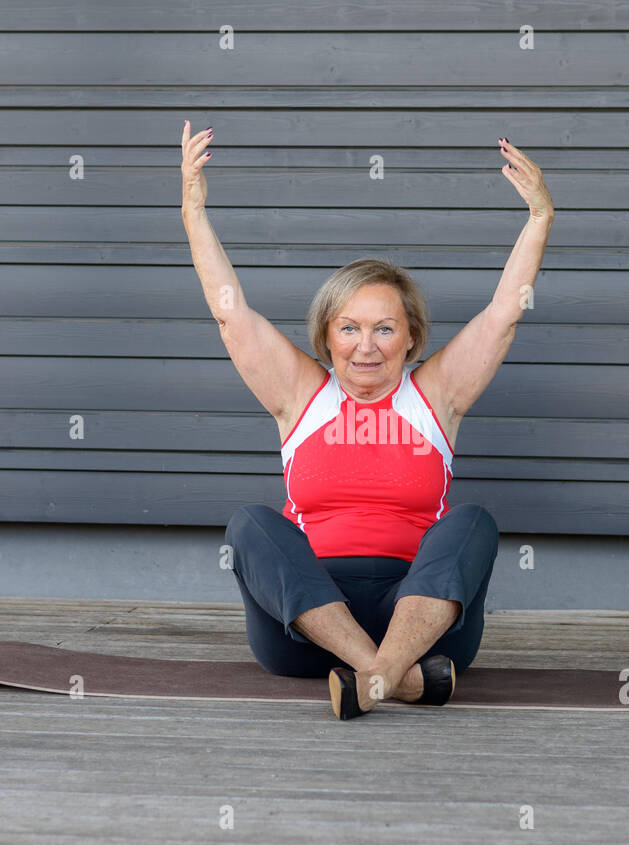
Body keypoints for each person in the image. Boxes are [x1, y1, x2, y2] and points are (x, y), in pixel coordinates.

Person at [180, 121, 554, 719]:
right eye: (349, 328)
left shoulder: (436, 395)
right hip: (305, 632)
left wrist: (539, 219)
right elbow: (230, 314)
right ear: (327, 337)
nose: (366, 346)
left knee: (472, 522)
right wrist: (193, 211)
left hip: (426, 625)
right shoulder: (302, 395)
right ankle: (391, 678)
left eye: (385, 328)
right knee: (252, 524)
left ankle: (375, 674)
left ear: (411, 338)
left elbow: (504, 313)